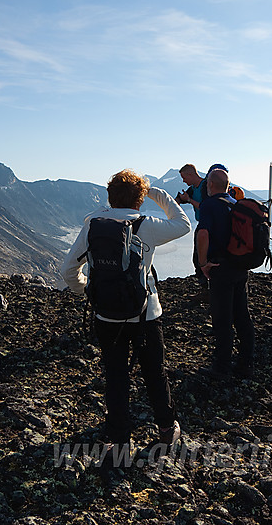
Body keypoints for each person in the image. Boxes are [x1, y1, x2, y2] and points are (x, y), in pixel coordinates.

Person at [62, 169, 191, 455]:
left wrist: (85, 289)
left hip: (106, 314)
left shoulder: (94, 223)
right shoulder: (147, 224)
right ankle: (167, 429)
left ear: (110, 196)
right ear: (140, 199)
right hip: (145, 315)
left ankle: (118, 439)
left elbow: (68, 269)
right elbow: (183, 224)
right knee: (155, 372)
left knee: (115, 374)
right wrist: (157, 195)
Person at [196, 168, 256, 380]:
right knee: (242, 316)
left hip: (220, 268)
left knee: (222, 319)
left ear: (210, 185)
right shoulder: (236, 204)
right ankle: (245, 363)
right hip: (240, 266)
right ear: (228, 186)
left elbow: (203, 233)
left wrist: (203, 264)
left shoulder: (209, 205)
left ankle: (221, 367)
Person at [176, 164, 208, 296]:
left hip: (209, 225)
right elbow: (179, 200)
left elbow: (206, 207)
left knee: (204, 256)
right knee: (197, 258)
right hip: (202, 224)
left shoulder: (206, 186)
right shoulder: (193, 188)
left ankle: (208, 289)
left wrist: (189, 200)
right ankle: (205, 288)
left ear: (190, 174)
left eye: (184, 177)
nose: (183, 181)